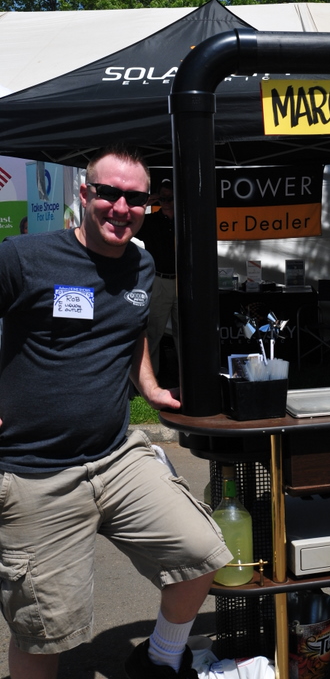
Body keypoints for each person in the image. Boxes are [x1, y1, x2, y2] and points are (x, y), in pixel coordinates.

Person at [0, 145, 231, 679]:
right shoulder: (24, 257)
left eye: (136, 199)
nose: (121, 208)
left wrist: (148, 385)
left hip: (116, 457)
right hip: (36, 472)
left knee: (201, 554)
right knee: (46, 631)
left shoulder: (141, 265)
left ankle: (159, 660)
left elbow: (131, 330)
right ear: (85, 194)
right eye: (109, 193)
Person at [137, 178, 179, 380]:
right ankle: (150, 381)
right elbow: (131, 221)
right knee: (153, 333)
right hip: (160, 280)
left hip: (183, 281)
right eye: (163, 198)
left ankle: (188, 378)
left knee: (185, 333)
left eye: (170, 198)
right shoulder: (150, 221)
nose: (166, 202)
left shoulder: (185, 220)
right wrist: (145, 202)